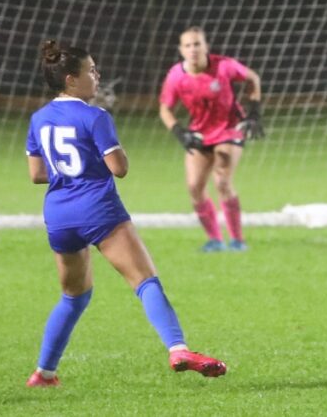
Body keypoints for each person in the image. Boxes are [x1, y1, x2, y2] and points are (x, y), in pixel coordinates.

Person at [25, 40, 226, 386]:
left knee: (74, 296)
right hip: (98, 210)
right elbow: (119, 167)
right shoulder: (95, 116)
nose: (96, 75)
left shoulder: (39, 118)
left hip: (59, 216)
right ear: (71, 80)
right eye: (90, 70)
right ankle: (178, 348)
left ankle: (44, 372)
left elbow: (37, 174)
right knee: (146, 282)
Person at [159, 26, 264, 252]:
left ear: (206, 46)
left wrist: (254, 112)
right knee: (194, 186)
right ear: (181, 50)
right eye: (188, 45)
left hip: (230, 128)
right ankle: (215, 240)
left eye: (197, 44)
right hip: (200, 132)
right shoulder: (176, 76)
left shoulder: (224, 66)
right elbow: (165, 109)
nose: (193, 49)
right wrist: (180, 132)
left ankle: (237, 240)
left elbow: (252, 77)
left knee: (222, 181)